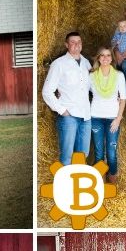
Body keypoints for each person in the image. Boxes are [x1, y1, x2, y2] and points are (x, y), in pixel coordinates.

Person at [41, 32, 92, 165]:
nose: (77, 45)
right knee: (67, 157)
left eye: (79, 42)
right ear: (66, 45)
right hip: (69, 116)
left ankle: (79, 185)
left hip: (86, 116)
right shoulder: (59, 64)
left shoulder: (86, 63)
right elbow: (47, 91)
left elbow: (93, 86)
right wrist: (62, 110)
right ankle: (65, 185)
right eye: (73, 42)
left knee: (83, 156)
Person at [89, 47, 126, 184]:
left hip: (112, 118)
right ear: (98, 58)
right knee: (99, 153)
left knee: (111, 152)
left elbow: (123, 99)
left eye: (108, 55)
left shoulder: (119, 76)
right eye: (102, 55)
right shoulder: (91, 76)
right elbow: (80, 91)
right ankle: (100, 183)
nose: (105, 58)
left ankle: (112, 181)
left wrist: (118, 119)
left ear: (112, 58)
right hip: (96, 117)